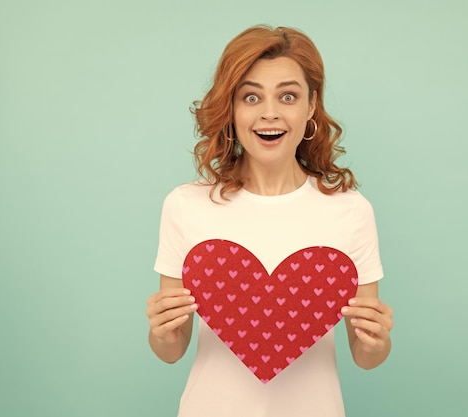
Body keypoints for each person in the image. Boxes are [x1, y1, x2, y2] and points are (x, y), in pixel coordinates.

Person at [146, 24, 393, 417]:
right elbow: (172, 350)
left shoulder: (350, 211)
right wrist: (162, 332)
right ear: (232, 108)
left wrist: (376, 342)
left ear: (311, 105)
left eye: (288, 96)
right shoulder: (185, 206)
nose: (270, 113)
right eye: (251, 96)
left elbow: (365, 357)